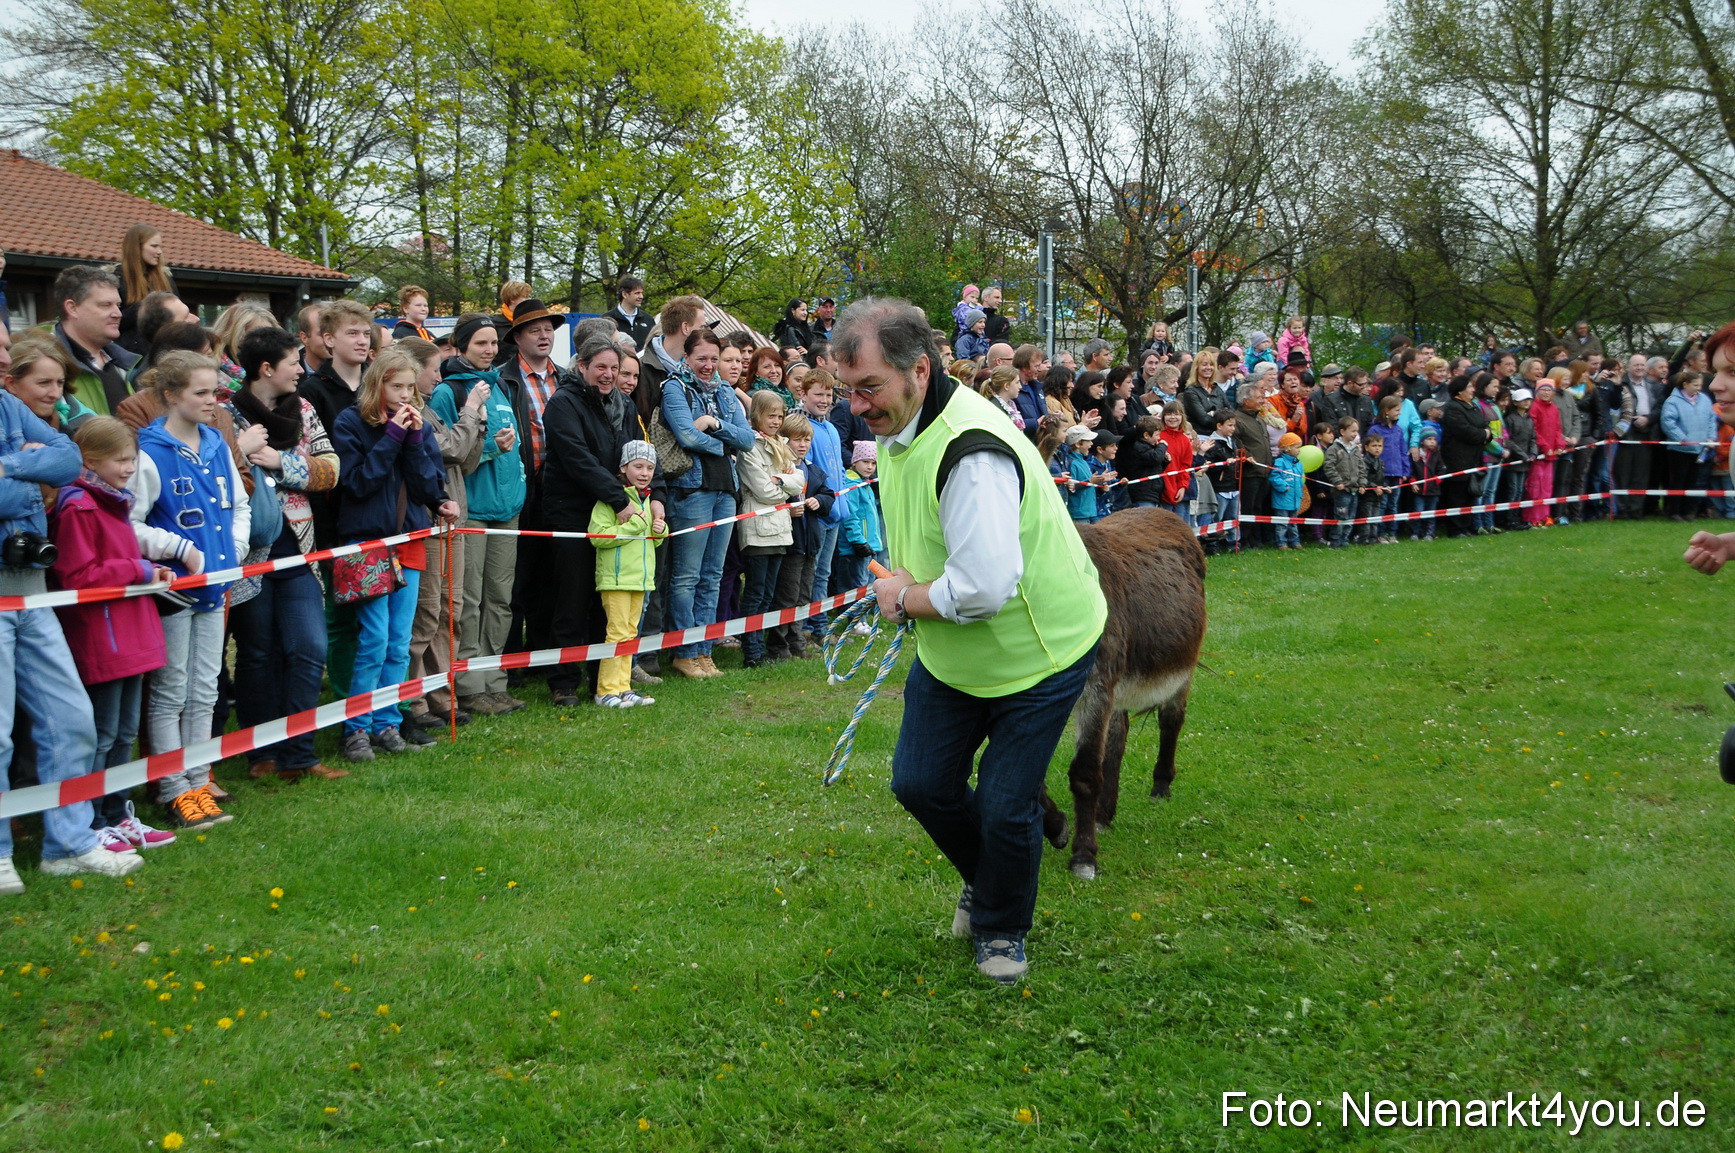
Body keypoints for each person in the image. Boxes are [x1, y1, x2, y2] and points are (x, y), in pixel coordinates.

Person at [836, 297, 1104, 986]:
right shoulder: (900, 427)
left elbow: (983, 587)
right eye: (848, 390)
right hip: (955, 651)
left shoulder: (970, 450)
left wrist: (902, 597)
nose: (858, 404)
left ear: (918, 371)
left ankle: (1001, 928)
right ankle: (990, 879)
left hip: (1039, 649)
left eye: (869, 387)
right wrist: (906, 579)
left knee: (1005, 801)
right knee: (920, 782)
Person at [0, 381, 137, 890]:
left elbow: (66, 461)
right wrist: (29, 477)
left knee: (73, 718)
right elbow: (47, 476)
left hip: (32, 592)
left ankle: (69, 843)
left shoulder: (8, 404)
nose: (1, 357)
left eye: (6, 344)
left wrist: (9, 467)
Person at [128, 352, 249, 827]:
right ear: (171, 395)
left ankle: (199, 779)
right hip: (174, 593)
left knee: (205, 688)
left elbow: (238, 504)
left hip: (215, 588)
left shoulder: (218, 442)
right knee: (170, 690)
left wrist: (233, 547)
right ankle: (172, 787)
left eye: (215, 391)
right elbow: (129, 524)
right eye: (200, 392)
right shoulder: (148, 451)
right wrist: (177, 547)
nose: (211, 400)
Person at [47, 416, 176, 853]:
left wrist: (145, 571)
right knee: (101, 733)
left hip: (130, 631)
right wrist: (140, 569)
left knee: (123, 732)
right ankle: (90, 819)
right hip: (103, 635)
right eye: (120, 460)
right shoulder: (79, 506)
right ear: (90, 460)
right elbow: (77, 573)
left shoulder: (113, 501)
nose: (128, 468)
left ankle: (118, 812)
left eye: (131, 459)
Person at [224, 326, 343, 782]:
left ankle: (301, 752)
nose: (301, 369)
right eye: (293, 362)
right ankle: (261, 753)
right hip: (247, 554)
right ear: (266, 368)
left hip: (298, 550)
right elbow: (216, 472)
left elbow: (330, 469)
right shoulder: (224, 414)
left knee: (309, 647)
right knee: (257, 654)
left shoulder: (305, 410)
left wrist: (281, 463)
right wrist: (243, 451)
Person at [330, 347, 454, 762]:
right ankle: (356, 728)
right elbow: (359, 483)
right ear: (377, 383)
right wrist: (394, 437)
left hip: (410, 539)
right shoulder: (351, 422)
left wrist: (415, 440)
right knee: (373, 639)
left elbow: (426, 486)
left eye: (408, 387)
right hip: (367, 545)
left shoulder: (415, 424)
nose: (404, 395)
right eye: (395, 386)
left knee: (400, 642)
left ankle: (386, 721)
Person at [542, 335, 657, 705]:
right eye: (600, 367)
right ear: (582, 367)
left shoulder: (623, 404)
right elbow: (577, 459)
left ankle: (605, 680)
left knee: (603, 603)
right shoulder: (563, 403)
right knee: (572, 598)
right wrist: (617, 498)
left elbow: (637, 455)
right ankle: (563, 682)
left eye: (613, 368)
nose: (608, 375)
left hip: (613, 513)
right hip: (573, 512)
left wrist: (656, 501)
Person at [432, 314, 526, 717]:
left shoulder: (501, 384)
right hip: (470, 510)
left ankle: (494, 679)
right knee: (468, 600)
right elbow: (447, 452)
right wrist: (491, 449)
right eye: (480, 344)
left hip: (508, 509)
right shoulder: (448, 392)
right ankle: (468, 684)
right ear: (461, 346)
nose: (489, 350)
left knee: (500, 599)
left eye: (493, 343)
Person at [396, 336, 484, 739]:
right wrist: (470, 413)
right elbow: (448, 447)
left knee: (452, 608)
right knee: (426, 614)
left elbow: (464, 458)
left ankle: (441, 692)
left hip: (454, 519)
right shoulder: (411, 414)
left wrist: (477, 427)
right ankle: (414, 700)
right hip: (429, 524)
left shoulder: (429, 409)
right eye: (433, 368)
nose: (438, 375)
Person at [662, 327, 753, 678]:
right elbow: (686, 435)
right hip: (691, 490)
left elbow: (747, 439)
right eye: (701, 358)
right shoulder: (674, 387)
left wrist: (714, 424)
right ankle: (684, 651)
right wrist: (724, 443)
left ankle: (703, 650)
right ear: (687, 357)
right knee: (686, 576)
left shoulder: (726, 392)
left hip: (724, 491)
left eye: (714, 359)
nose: (708, 365)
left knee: (713, 575)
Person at [590, 441, 665, 706]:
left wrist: (659, 531)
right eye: (638, 466)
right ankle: (606, 690)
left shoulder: (647, 500)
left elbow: (651, 540)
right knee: (617, 633)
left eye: (650, 467)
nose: (644, 472)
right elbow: (597, 537)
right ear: (624, 467)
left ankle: (623, 687)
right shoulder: (613, 499)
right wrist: (634, 526)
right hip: (617, 579)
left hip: (641, 579)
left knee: (630, 633)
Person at [735, 391, 799, 668]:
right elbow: (763, 491)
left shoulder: (781, 445)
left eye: (779, 416)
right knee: (756, 593)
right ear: (756, 415)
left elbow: (800, 481)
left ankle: (761, 649)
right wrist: (786, 483)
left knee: (769, 593)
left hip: (781, 528)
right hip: (758, 529)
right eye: (770, 415)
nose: (775, 421)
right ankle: (751, 652)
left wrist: (781, 481)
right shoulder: (749, 448)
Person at [770, 411, 834, 659]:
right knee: (786, 595)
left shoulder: (813, 470)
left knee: (803, 595)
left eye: (806, 440)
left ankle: (798, 643)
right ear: (784, 441)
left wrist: (819, 500)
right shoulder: (781, 470)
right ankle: (779, 645)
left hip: (810, 544)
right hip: (790, 543)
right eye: (797, 440)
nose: (802, 445)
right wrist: (788, 509)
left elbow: (828, 495)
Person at [794, 370, 850, 621]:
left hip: (835, 511)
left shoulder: (831, 428)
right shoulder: (800, 426)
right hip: (816, 512)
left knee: (824, 572)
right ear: (803, 394)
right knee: (811, 572)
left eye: (828, 394)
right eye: (818, 394)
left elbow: (838, 468)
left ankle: (820, 625)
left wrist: (843, 504)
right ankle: (809, 625)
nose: (824, 400)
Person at [52, 265, 136, 419]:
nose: (118, 314)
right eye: (105, 305)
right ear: (72, 308)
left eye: (118, 306)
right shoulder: (47, 364)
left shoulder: (130, 366)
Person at [1662, 369, 1717, 521]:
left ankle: (1688, 512)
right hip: (1678, 449)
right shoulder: (1672, 401)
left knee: (1693, 482)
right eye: (1695, 385)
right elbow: (1668, 422)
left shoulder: (1705, 399)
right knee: (1678, 481)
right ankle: (1674, 512)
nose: (1699, 388)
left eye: (1700, 385)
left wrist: (1711, 437)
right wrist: (1681, 438)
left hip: (1700, 448)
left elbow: (1711, 418)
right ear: (1685, 384)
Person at [117, 224, 175, 355]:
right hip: (129, 356)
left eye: (160, 247)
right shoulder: (117, 278)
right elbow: (114, 320)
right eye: (154, 246)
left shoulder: (166, 278)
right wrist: (148, 306)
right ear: (136, 247)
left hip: (164, 352)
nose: (159, 252)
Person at [835, 440, 882, 593]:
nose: (870, 467)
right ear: (854, 462)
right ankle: (855, 616)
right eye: (865, 462)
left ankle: (863, 615)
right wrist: (858, 540)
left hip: (869, 544)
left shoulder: (865, 484)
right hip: (856, 547)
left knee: (868, 585)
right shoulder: (852, 485)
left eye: (873, 463)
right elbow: (850, 515)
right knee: (857, 587)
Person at [1323, 415, 1364, 548]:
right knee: (1341, 515)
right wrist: (1337, 481)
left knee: (1351, 516)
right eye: (1352, 431)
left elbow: (1362, 468)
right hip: (1341, 490)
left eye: (1356, 431)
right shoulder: (1334, 449)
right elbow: (1329, 467)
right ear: (1342, 431)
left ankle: (1345, 539)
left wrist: (1362, 483)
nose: (1355, 434)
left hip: (1354, 489)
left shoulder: (1356, 449)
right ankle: (1336, 540)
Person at [1269, 433, 1305, 548]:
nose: (1299, 450)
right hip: (1283, 499)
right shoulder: (1280, 462)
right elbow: (1274, 477)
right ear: (1288, 448)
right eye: (1297, 447)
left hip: (1295, 498)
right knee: (1282, 523)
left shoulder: (1298, 463)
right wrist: (1284, 487)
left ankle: (1295, 541)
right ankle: (1281, 542)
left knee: (1294, 522)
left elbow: (1300, 478)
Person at [1058, 424, 1098, 523]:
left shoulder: (1083, 461)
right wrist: (1090, 481)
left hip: (1090, 512)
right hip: (1078, 515)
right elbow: (1071, 488)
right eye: (1088, 441)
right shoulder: (1071, 463)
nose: (1091, 444)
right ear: (1078, 444)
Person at [608, 276, 654, 351]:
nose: (641, 296)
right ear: (625, 294)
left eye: (642, 293)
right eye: (637, 293)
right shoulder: (608, 319)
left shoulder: (648, 320)